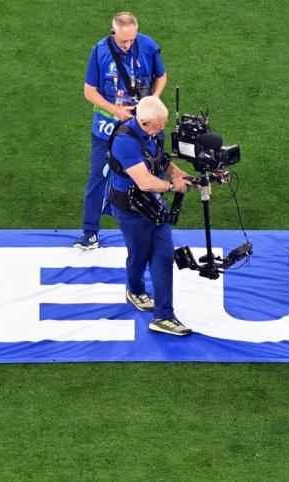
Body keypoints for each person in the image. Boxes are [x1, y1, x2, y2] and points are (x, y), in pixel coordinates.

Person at [75, 12, 167, 249]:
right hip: (107, 126)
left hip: (143, 124)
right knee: (99, 176)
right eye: (123, 40)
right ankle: (90, 232)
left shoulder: (147, 46)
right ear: (113, 31)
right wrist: (114, 110)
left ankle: (155, 225)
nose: (128, 44)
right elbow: (89, 91)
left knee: (154, 171)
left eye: (132, 40)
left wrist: (151, 104)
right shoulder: (99, 51)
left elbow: (162, 76)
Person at [109, 96, 192, 336]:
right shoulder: (124, 141)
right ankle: (135, 289)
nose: (163, 129)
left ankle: (164, 316)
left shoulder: (154, 132)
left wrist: (180, 175)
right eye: (159, 125)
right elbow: (145, 182)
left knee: (164, 257)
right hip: (131, 211)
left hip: (153, 207)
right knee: (139, 256)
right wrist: (171, 187)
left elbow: (162, 162)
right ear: (144, 123)